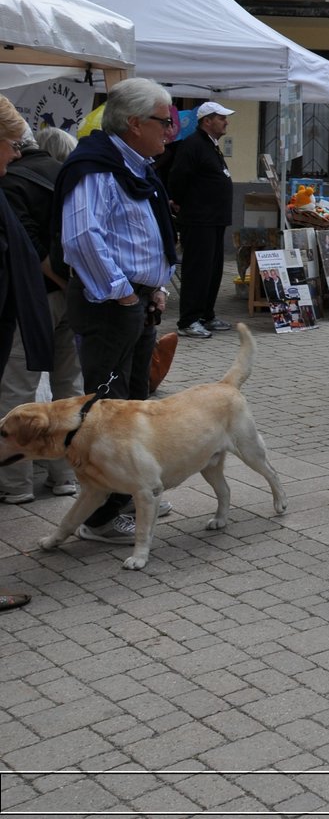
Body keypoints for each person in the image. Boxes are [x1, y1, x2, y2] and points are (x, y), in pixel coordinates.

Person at [56, 78, 177, 542]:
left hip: (134, 302)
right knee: (107, 412)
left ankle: (129, 494)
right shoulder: (97, 167)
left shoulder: (133, 166)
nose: (169, 131)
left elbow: (141, 237)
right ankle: (100, 517)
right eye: (164, 122)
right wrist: (124, 292)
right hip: (110, 306)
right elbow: (82, 238)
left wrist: (154, 287)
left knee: (133, 404)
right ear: (134, 123)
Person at [0, 122, 81, 504]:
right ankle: (66, 474)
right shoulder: (66, 172)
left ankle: (15, 484)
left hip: (31, 300)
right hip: (73, 295)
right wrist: (72, 286)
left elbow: (28, 248)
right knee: (70, 390)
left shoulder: (9, 180)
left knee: (17, 389)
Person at [166, 101, 235, 339]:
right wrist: (180, 200)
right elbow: (178, 177)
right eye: (221, 117)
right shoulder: (193, 145)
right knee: (197, 271)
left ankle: (206, 314)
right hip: (198, 220)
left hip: (214, 220)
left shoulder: (211, 145)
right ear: (207, 121)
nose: (226, 121)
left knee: (213, 270)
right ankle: (188, 320)